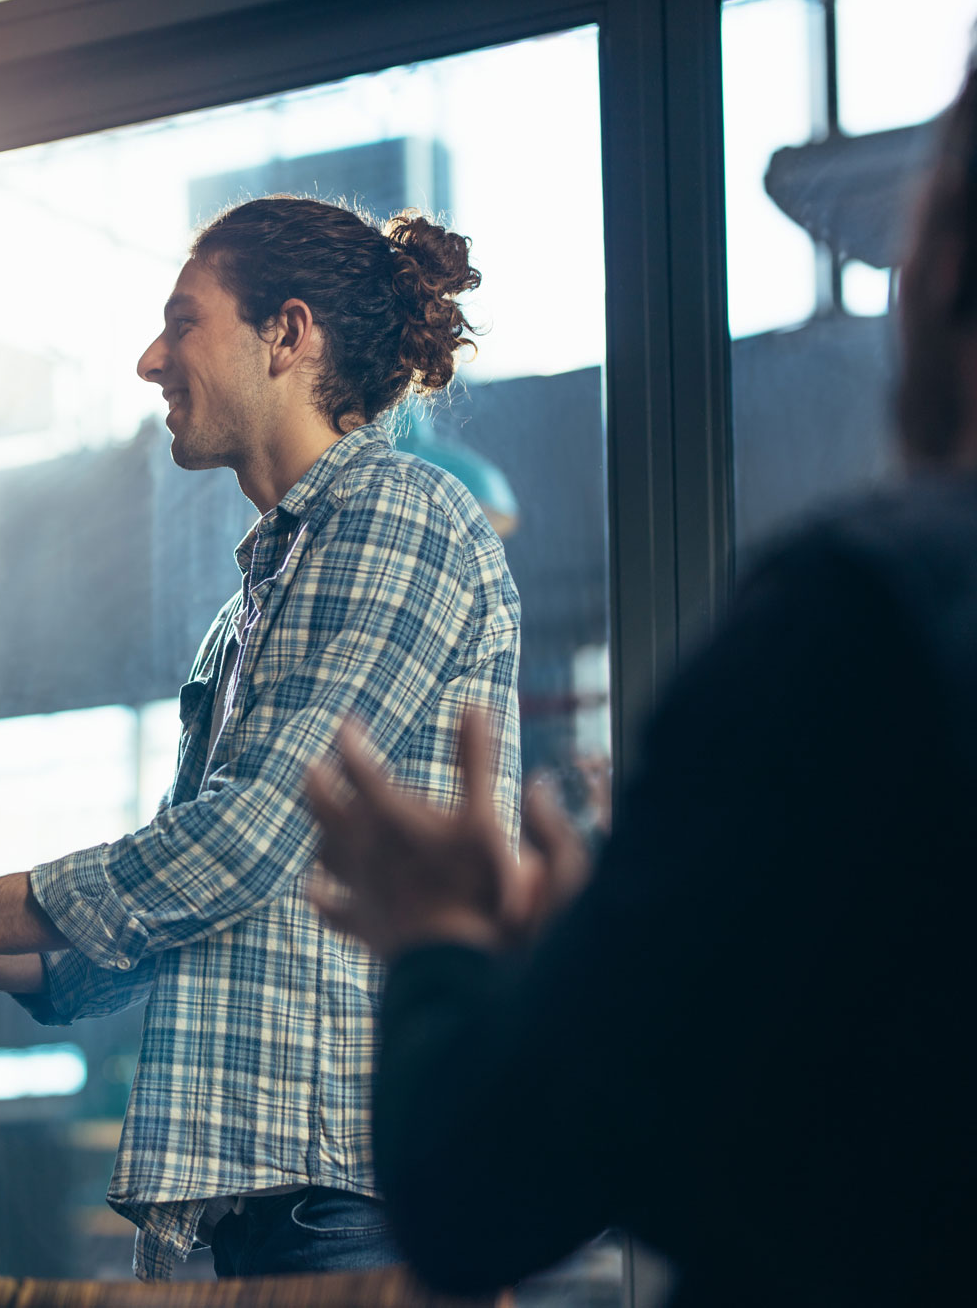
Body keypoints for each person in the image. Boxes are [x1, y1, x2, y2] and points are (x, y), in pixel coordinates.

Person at [300, 63, 977, 1307]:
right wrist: (599, 973)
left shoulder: (849, 623)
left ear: (931, 276)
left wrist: (441, 938)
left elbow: (487, 1188)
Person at [0, 197, 523, 1279]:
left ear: (287, 333)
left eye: (182, 320)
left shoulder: (399, 517)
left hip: (352, 1198)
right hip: (255, 1208)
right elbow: (145, 929)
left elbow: (244, 840)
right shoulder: (253, 604)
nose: (148, 358)